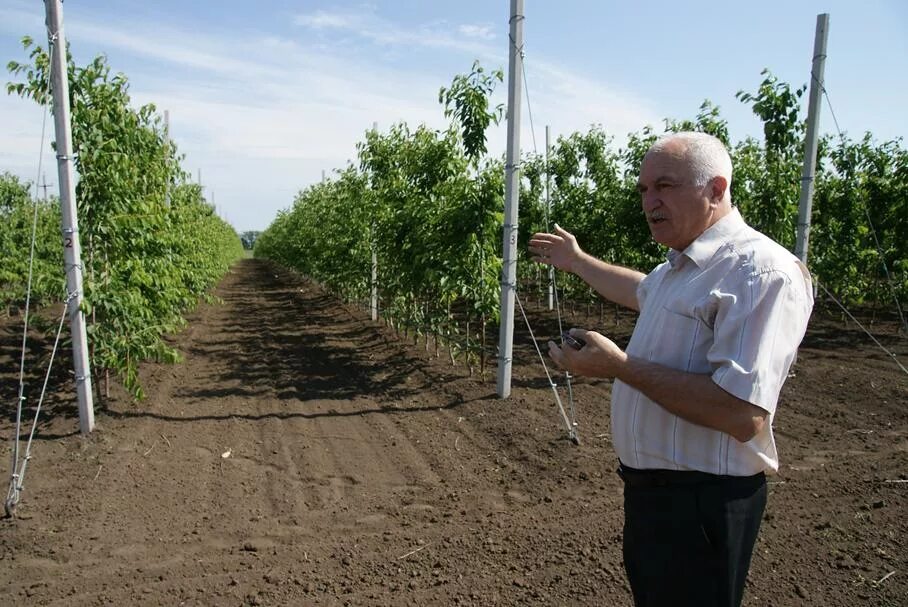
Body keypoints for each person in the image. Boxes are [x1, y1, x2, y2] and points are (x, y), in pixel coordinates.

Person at [528, 131, 813, 607]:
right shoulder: (681, 269)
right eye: (643, 189)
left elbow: (743, 414)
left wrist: (619, 366)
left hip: (702, 504)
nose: (649, 201)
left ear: (716, 189)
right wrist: (576, 262)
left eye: (664, 186)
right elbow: (640, 289)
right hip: (655, 498)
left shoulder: (759, 271)